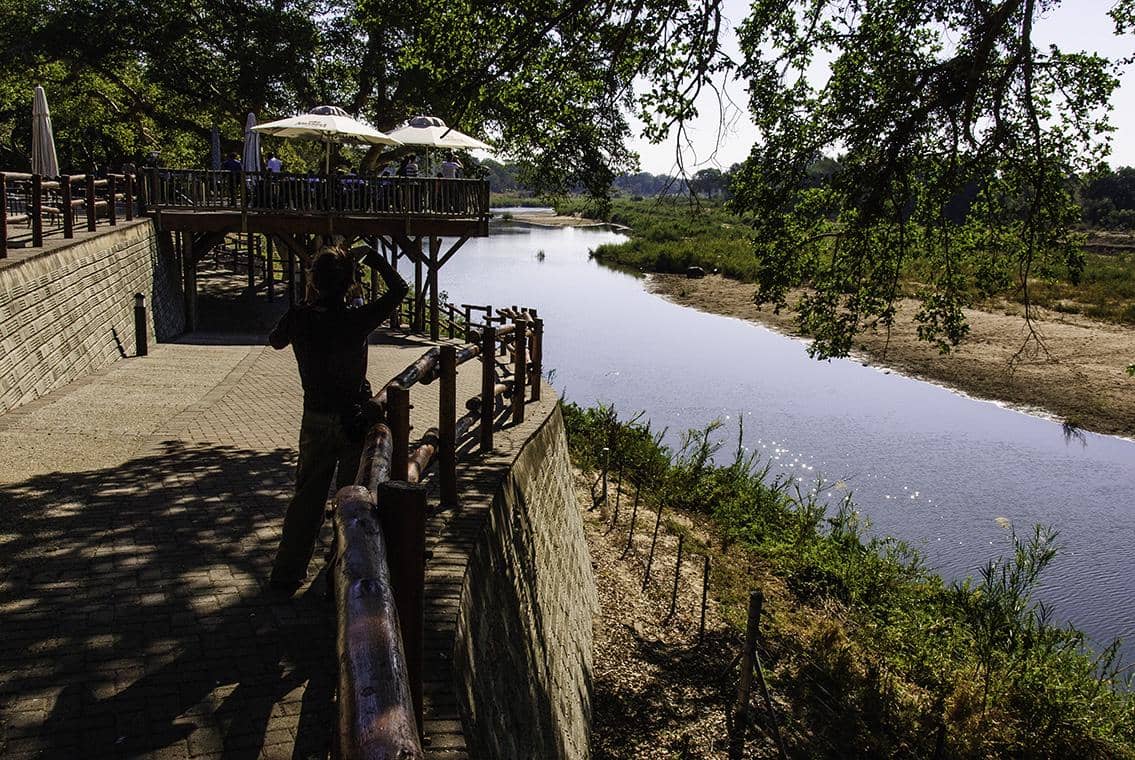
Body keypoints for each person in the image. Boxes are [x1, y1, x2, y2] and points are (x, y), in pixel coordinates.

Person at [267, 243, 409, 593]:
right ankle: (341, 575)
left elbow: (275, 341)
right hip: (352, 419)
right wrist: (371, 256)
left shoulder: (301, 317)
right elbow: (400, 290)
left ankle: (287, 572)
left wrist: (305, 301)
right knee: (350, 502)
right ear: (349, 283)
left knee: (306, 499)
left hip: (315, 416)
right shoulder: (355, 319)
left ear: (314, 280)